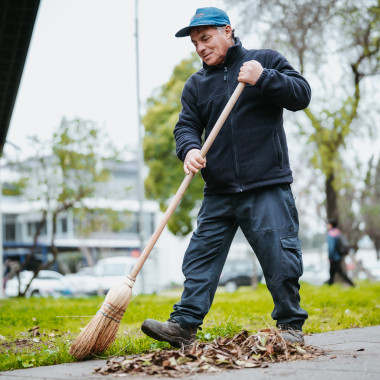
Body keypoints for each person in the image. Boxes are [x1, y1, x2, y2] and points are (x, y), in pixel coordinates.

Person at [141, 7, 310, 347]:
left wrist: (263, 77)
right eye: (195, 43)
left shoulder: (264, 60)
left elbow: (301, 95)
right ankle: (184, 326)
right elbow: (186, 125)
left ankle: (290, 326)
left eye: (205, 38)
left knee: (280, 257)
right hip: (218, 190)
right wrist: (188, 149)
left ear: (227, 31)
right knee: (200, 257)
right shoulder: (197, 85)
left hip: (267, 185)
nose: (201, 47)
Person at [326, 219, 354, 286]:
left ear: (330, 225)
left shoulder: (330, 234)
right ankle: (330, 284)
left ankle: (352, 284)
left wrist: (330, 257)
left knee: (340, 272)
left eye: (328, 224)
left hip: (334, 257)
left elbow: (331, 247)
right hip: (339, 255)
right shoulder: (338, 232)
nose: (327, 226)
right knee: (332, 272)